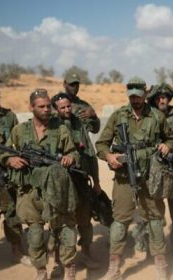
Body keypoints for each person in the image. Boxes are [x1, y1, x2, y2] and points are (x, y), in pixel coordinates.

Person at [95, 76, 173, 280]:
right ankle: (114, 267)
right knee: (120, 221)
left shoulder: (157, 116)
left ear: (146, 94)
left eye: (139, 96)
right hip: (124, 176)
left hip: (150, 176)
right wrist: (109, 156)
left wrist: (168, 145)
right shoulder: (118, 116)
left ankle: (160, 263)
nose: (135, 100)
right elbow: (101, 144)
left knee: (155, 219)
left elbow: (172, 138)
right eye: (132, 97)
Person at [0, 89, 79, 280]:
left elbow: (73, 153)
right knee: (34, 236)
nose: (46, 110)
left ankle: (68, 267)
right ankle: (41, 271)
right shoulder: (20, 131)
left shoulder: (59, 129)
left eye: (48, 106)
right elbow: (5, 152)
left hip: (55, 190)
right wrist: (11, 160)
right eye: (41, 107)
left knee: (65, 231)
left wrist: (69, 158)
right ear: (31, 107)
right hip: (29, 192)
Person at [50, 92, 101, 273]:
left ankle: (86, 254)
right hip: (63, 182)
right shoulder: (52, 126)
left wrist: (96, 181)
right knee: (60, 222)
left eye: (68, 106)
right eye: (62, 107)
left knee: (85, 220)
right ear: (56, 109)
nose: (66, 110)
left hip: (82, 179)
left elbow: (90, 153)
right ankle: (59, 261)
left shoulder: (79, 123)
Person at [0, 80, 31, 266]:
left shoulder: (9, 117)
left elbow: (18, 142)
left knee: (10, 209)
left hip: (3, 170)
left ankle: (17, 249)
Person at [147, 83, 173, 252]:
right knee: (152, 213)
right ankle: (153, 249)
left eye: (164, 97)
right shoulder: (148, 117)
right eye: (158, 97)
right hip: (152, 172)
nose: (161, 100)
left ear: (169, 99)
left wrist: (172, 146)